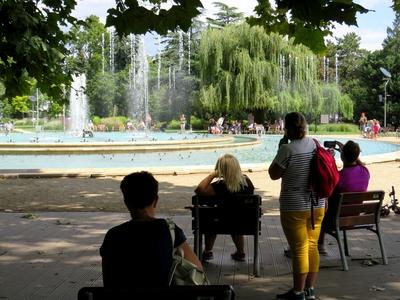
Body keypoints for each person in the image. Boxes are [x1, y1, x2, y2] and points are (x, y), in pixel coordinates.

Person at [100, 171, 202, 288]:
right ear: (156, 200)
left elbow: (108, 283)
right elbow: (197, 269)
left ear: (126, 203)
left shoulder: (113, 236)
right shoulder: (170, 230)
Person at [269, 112, 325, 300]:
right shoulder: (315, 144)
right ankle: (310, 290)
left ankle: (298, 292)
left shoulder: (288, 149)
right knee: (312, 246)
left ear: (287, 128)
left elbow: (273, 174)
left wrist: (281, 148)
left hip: (294, 207)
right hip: (317, 204)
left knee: (300, 248)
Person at [195, 154, 254, 262]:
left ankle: (208, 251)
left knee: (211, 219)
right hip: (244, 223)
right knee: (236, 219)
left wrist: (212, 175)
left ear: (220, 169)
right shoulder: (247, 183)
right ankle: (240, 252)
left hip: (219, 223)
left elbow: (199, 190)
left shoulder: (220, 186)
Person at [318, 140, 370, 252]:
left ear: (342, 156)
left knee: (321, 206)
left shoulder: (339, 177)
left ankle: (320, 244)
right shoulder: (365, 171)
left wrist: (330, 158)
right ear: (356, 156)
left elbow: (328, 191)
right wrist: (347, 151)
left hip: (337, 219)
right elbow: (357, 161)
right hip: (354, 217)